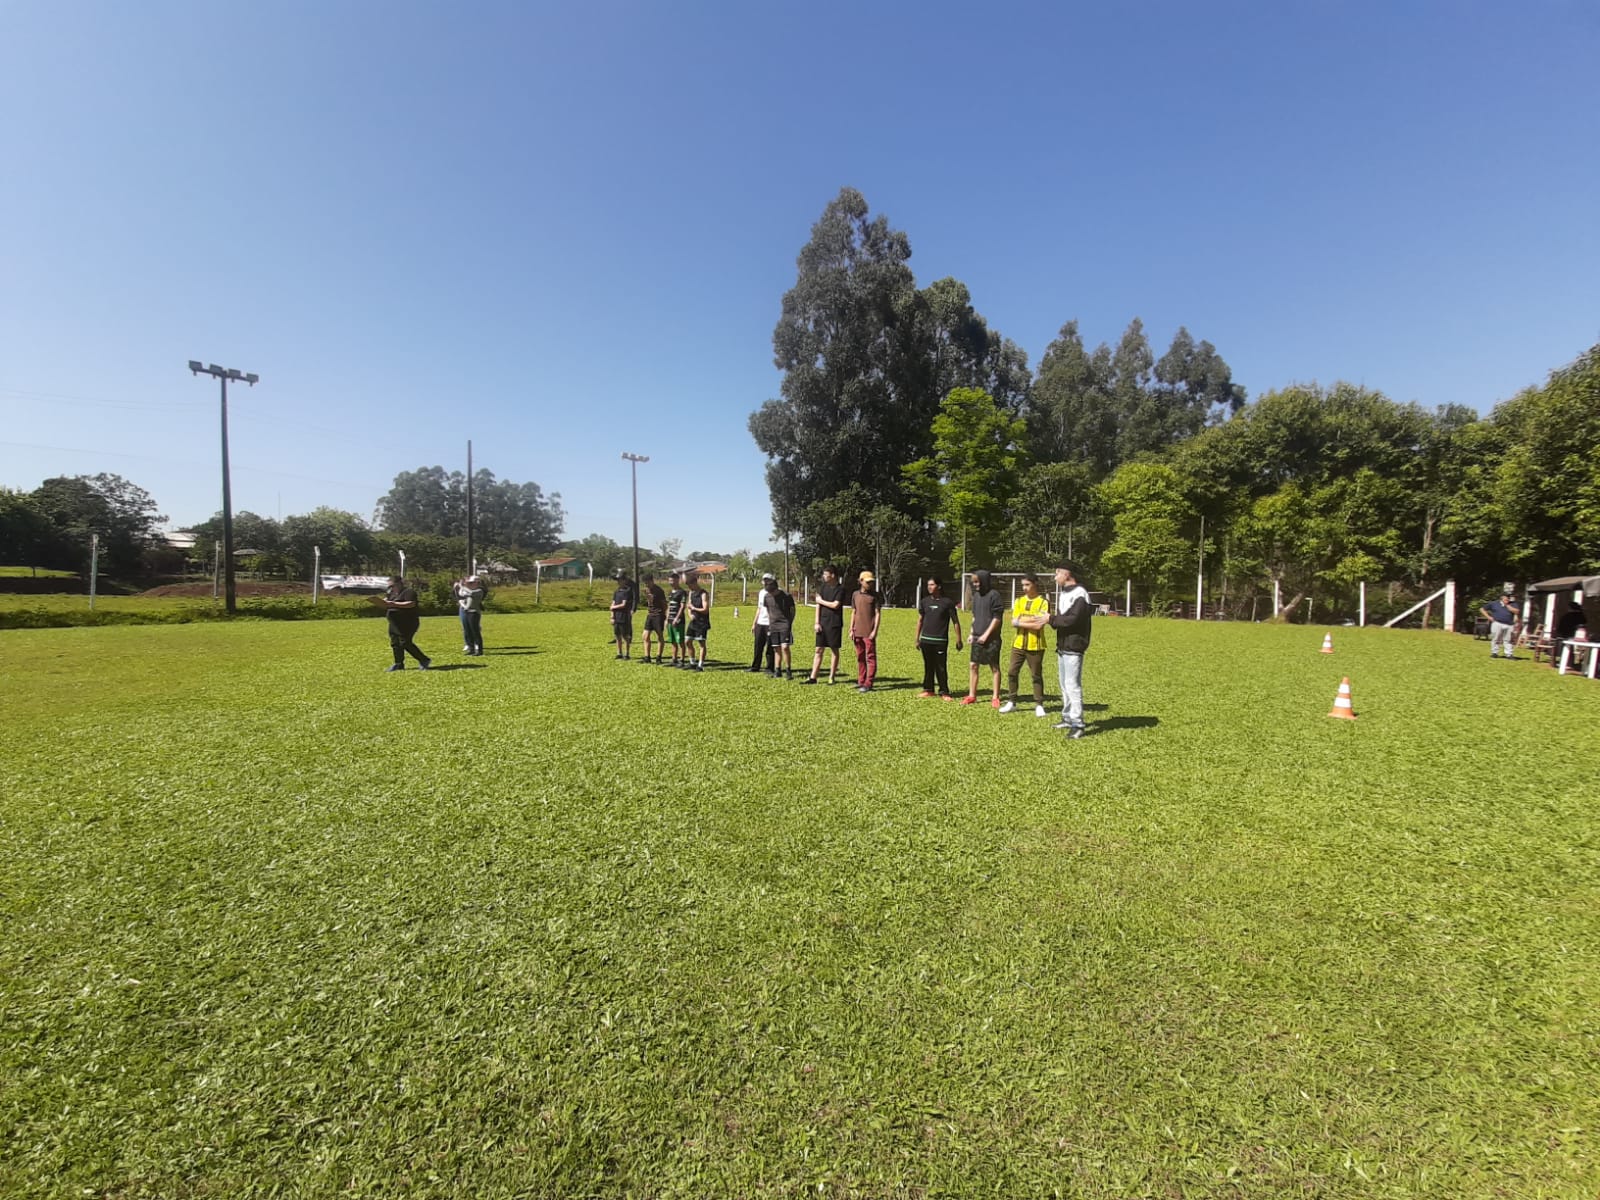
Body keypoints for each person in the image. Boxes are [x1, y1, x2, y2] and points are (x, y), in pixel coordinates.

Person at [1033, 561, 1092, 738]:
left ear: (1067, 574)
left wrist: (1050, 619)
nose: (1055, 576)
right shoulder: (1063, 593)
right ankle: (1067, 718)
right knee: (1064, 685)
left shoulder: (1080, 594)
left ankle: (1078, 724)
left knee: (1073, 685)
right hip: (1063, 646)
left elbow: (1072, 619)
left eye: (1057, 573)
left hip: (1074, 646)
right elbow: (1061, 620)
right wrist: (1051, 620)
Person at [1000, 573, 1049, 717]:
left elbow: (1039, 625)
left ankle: (1039, 704)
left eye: (1027, 584)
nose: (1024, 588)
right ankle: (1012, 701)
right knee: (1012, 672)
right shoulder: (1019, 601)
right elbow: (1013, 622)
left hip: (1036, 645)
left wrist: (1022, 621)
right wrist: (1030, 620)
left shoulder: (1043, 602)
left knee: (1036, 675)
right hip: (1019, 644)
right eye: (1023, 585)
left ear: (1035, 584)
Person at [914, 576, 963, 699]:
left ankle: (944, 691)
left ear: (939, 586)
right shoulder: (924, 602)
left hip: (940, 641)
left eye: (932, 585)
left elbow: (955, 622)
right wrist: (917, 638)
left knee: (941, 667)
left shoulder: (947, 602)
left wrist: (958, 639)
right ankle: (928, 689)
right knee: (928, 666)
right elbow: (920, 621)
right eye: (928, 585)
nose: (929, 587)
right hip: (926, 640)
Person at [963, 569, 1005, 707]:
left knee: (994, 667)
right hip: (977, 637)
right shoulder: (976, 597)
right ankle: (972, 695)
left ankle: (995, 697)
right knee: (973, 665)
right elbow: (974, 617)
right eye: (973, 582)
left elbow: (997, 618)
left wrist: (986, 635)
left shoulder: (994, 595)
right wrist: (971, 633)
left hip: (992, 639)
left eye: (977, 581)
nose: (975, 584)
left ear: (984, 580)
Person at [801, 565, 846, 684]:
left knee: (834, 650)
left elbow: (835, 605)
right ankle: (813, 677)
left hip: (834, 623)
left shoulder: (840, 589)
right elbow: (818, 606)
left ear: (833, 575)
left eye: (826, 574)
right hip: (822, 623)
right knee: (818, 649)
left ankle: (831, 677)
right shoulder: (823, 587)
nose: (824, 577)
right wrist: (817, 622)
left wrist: (820, 601)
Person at [383, 576, 430, 672]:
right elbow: (388, 603)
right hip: (394, 623)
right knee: (395, 643)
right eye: (389, 587)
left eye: (392, 586)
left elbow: (411, 604)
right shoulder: (391, 594)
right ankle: (398, 664)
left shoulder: (409, 592)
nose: (390, 588)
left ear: (399, 583)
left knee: (405, 642)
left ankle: (424, 660)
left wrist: (393, 604)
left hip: (407, 622)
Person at [848, 570, 882, 692]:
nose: (870, 584)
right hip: (857, 631)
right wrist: (851, 628)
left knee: (870, 657)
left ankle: (869, 683)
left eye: (872, 582)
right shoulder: (855, 595)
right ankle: (861, 681)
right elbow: (854, 612)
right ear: (861, 581)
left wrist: (874, 631)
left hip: (869, 632)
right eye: (868, 582)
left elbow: (878, 613)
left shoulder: (875, 596)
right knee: (860, 657)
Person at [765, 575, 797, 679]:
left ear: (776, 589)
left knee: (785, 647)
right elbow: (768, 611)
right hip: (773, 625)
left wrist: (789, 623)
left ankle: (788, 670)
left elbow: (792, 610)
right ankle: (777, 670)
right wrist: (770, 625)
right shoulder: (767, 597)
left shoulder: (786, 596)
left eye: (772, 592)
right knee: (776, 648)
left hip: (784, 625)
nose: (771, 594)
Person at [749, 572, 777, 673]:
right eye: (764, 580)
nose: (765, 582)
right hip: (761, 623)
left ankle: (770, 668)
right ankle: (755, 666)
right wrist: (754, 623)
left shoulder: (777, 592)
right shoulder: (761, 593)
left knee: (770, 647)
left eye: (767, 580)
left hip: (771, 623)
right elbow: (759, 608)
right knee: (758, 646)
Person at [453, 574, 486, 656]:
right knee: (467, 631)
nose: (470, 584)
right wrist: (458, 588)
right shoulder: (466, 590)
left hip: (474, 612)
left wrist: (462, 586)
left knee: (475, 631)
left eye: (472, 583)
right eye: (469, 583)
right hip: (467, 611)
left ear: (477, 583)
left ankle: (479, 650)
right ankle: (471, 649)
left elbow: (470, 593)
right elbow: (460, 595)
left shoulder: (479, 590)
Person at [1479, 591, 1519, 660]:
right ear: (1501, 598)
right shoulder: (1494, 603)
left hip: (1509, 624)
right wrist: (1488, 617)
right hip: (1497, 623)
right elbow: (1482, 609)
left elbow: (1517, 611)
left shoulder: (1513, 604)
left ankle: (1509, 654)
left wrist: (1507, 606)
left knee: (1508, 640)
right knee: (1496, 638)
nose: (1508, 599)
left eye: (1508, 597)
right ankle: (1494, 653)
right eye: (1506, 597)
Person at [684, 571, 711, 670]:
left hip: (702, 622)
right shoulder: (691, 593)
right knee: (687, 641)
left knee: (701, 644)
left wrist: (694, 609)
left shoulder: (703, 594)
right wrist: (690, 614)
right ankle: (692, 663)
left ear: (695, 583)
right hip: (693, 622)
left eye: (690, 585)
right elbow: (688, 606)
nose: (689, 588)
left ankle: (700, 665)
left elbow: (705, 609)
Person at [640, 572, 667, 664]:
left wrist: (665, 616)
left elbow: (664, 604)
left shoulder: (659, 590)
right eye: (645, 583)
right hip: (650, 615)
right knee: (645, 636)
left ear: (652, 581)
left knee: (660, 636)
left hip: (658, 615)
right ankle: (647, 657)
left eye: (647, 582)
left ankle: (659, 657)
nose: (646, 584)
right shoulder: (647, 590)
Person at [664, 570, 689, 668]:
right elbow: (669, 607)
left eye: (673, 581)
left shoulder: (682, 592)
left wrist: (676, 618)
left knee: (680, 641)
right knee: (672, 641)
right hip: (670, 620)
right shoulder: (670, 593)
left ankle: (682, 660)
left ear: (677, 580)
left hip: (678, 621)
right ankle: (674, 659)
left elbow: (682, 607)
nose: (671, 583)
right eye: (670, 581)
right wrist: (666, 619)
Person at [609, 570, 635, 659]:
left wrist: (613, 607)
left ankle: (627, 653)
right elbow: (612, 604)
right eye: (617, 580)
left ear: (624, 580)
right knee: (617, 635)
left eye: (620, 580)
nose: (618, 582)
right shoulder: (616, 592)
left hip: (624, 616)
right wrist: (612, 616)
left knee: (625, 636)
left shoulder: (627, 591)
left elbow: (623, 604)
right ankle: (619, 653)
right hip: (617, 617)